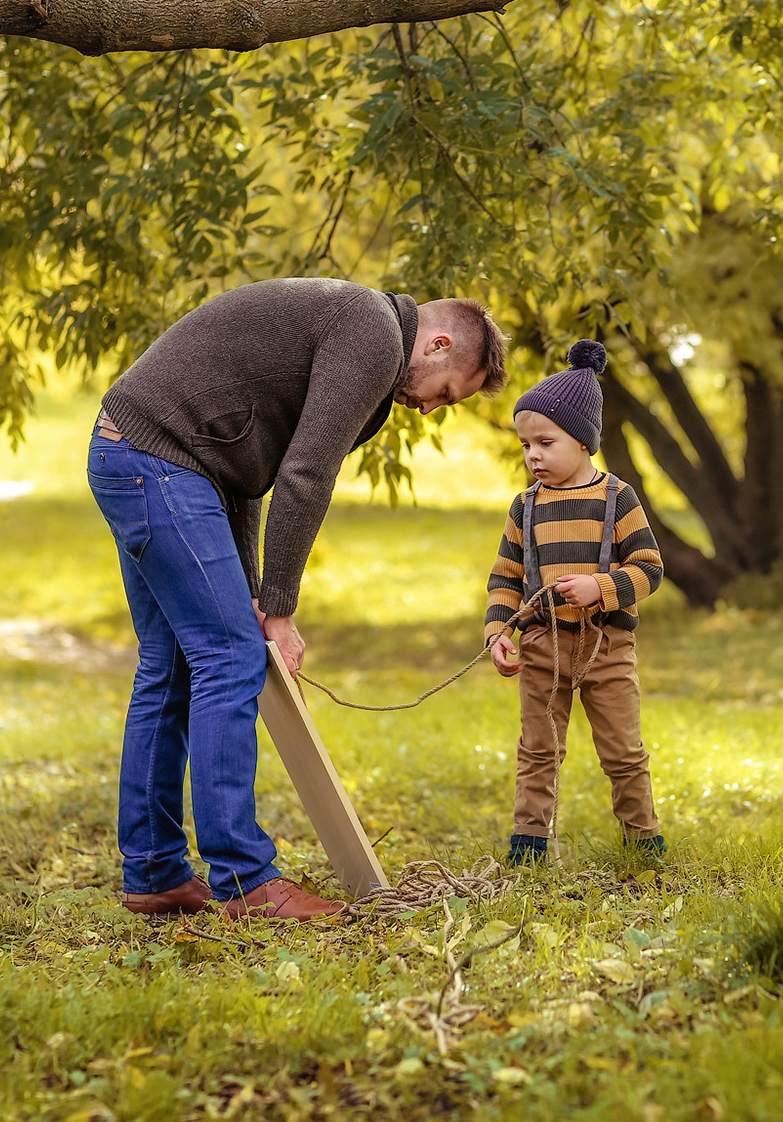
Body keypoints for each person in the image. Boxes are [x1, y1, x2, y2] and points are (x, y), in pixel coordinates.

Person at [89, 278, 506, 920]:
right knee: (230, 659)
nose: (431, 408)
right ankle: (245, 882)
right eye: (445, 392)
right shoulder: (371, 332)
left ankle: (153, 873)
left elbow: (249, 479)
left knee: (172, 665)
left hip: (148, 457)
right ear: (438, 342)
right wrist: (278, 609)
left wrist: (258, 593)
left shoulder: (370, 353)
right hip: (158, 459)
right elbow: (305, 476)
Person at [484, 341, 666, 866]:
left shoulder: (618, 498)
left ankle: (643, 841)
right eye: (525, 445)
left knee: (624, 752)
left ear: (584, 442)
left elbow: (650, 569)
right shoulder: (525, 506)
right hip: (543, 646)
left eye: (545, 442)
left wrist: (600, 587)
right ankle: (529, 847)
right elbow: (506, 577)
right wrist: (499, 632)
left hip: (607, 647)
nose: (533, 455)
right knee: (538, 750)